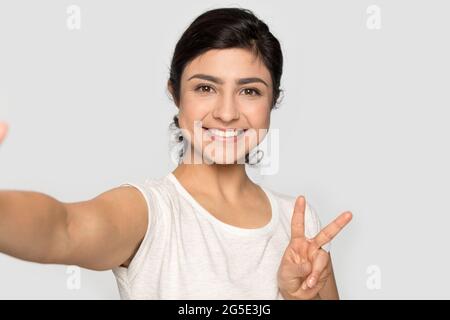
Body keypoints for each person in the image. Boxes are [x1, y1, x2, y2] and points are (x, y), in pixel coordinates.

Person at [0, 7, 352, 300]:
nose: (227, 113)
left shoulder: (299, 223)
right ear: (175, 94)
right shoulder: (150, 211)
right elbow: (64, 229)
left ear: (272, 100)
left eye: (249, 91)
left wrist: (294, 297)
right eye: (205, 87)